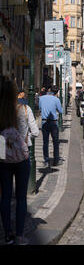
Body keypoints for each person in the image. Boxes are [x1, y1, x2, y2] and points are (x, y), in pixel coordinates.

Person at [0, 77, 39, 245]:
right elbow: (35, 132)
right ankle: (19, 235)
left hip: (2, 157)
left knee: (5, 197)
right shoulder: (24, 109)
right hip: (21, 158)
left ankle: (7, 234)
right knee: (21, 198)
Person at [39, 85, 63, 168]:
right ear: (56, 92)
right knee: (55, 142)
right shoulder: (56, 99)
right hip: (53, 123)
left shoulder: (41, 98)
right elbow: (60, 111)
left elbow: (39, 108)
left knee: (45, 142)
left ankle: (46, 160)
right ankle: (56, 160)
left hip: (44, 122)